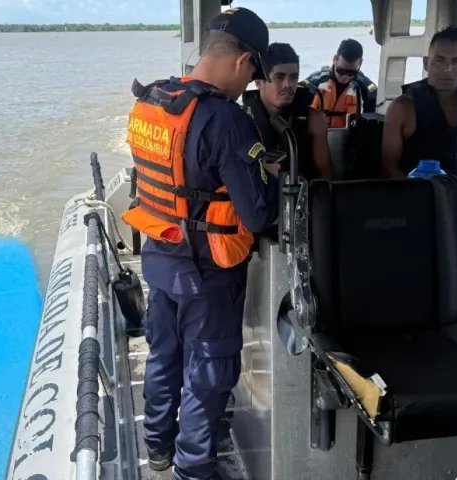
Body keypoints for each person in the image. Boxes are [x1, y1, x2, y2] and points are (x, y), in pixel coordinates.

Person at [120, 7, 281, 480]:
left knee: (164, 357)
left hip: (159, 258)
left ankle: (158, 450)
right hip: (208, 274)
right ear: (243, 60)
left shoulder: (154, 99)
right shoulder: (227, 121)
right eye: (255, 72)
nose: (251, 84)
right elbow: (258, 214)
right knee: (208, 375)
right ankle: (193, 469)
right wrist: (267, 176)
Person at [381, 26, 457, 199]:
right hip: (419, 204)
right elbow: (389, 168)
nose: (447, 69)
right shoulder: (402, 109)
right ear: (426, 63)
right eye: (440, 60)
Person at [242, 42, 332, 180]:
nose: (288, 85)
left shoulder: (314, 120)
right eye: (279, 77)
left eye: (294, 77)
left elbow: (325, 176)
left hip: (302, 195)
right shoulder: (241, 121)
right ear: (259, 82)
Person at [302, 39, 378, 128]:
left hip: (348, 138)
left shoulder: (367, 89)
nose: (345, 77)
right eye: (340, 71)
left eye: (351, 73)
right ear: (334, 59)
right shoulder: (314, 82)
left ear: (360, 63)